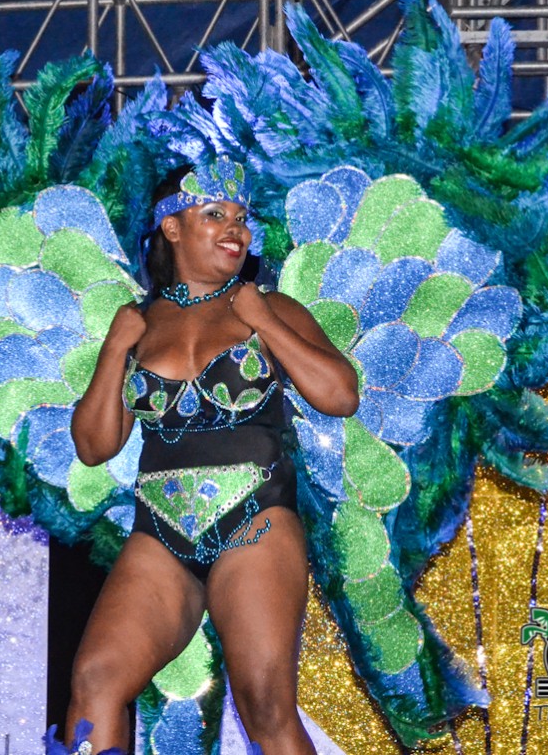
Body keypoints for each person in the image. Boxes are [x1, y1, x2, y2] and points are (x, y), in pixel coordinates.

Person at [65, 158, 360, 755]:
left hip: (255, 521)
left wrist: (265, 323)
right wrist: (115, 350)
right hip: (160, 532)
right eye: (216, 214)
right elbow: (94, 448)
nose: (236, 229)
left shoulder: (271, 307)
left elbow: (340, 396)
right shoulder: (137, 324)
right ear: (171, 228)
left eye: (242, 218)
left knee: (266, 704)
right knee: (95, 683)